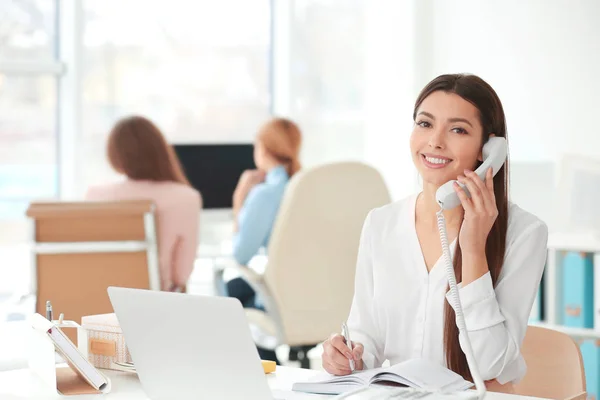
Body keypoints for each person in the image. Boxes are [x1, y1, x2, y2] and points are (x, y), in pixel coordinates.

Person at [322, 74, 548, 388]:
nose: (435, 141)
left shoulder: (524, 234)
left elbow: (488, 365)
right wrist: (349, 357)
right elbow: (366, 336)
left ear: (489, 149)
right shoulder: (380, 223)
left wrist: (473, 248)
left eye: (458, 129)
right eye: (425, 124)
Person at [86, 116, 202, 293]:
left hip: (98, 304)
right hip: (154, 306)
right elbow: (180, 276)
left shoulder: (95, 195)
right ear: (160, 150)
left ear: (114, 155)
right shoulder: (185, 197)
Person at [226, 117, 302, 362]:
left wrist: (240, 198)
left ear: (264, 149)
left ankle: (264, 360)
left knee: (231, 287)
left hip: (282, 303)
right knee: (240, 288)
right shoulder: (306, 185)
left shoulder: (266, 193)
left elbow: (240, 255)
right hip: (319, 299)